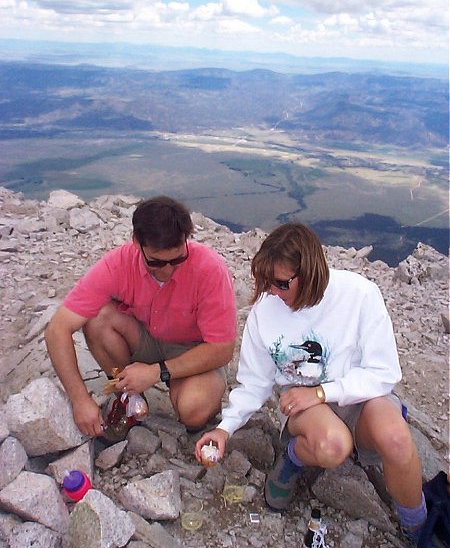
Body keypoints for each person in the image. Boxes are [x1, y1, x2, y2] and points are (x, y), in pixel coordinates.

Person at [195, 222, 428, 546]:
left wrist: (321, 393)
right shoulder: (266, 311)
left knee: (397, 439)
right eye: (267, 282)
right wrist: (225, 428)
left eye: (280, 283)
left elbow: (384, 372)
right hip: (303, 408)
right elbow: (255, 381)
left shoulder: (359, 295)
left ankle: (417, 528)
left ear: (309, 273)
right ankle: (293, 456)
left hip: (359, 398)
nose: (272, 292)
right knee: (333, 446)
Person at [45, 195, 237, 439]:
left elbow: (222, 349)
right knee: (97, 320)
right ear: (137, 243)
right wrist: (79, 399)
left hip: (194, 351)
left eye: (177, 259)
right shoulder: (118, 264)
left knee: (193, 411)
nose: (167, 270)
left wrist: (157, 372)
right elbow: (57, 329)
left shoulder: (210, 269)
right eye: (156, 262)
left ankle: (189, 394)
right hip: (146, 338)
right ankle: (130, 399)